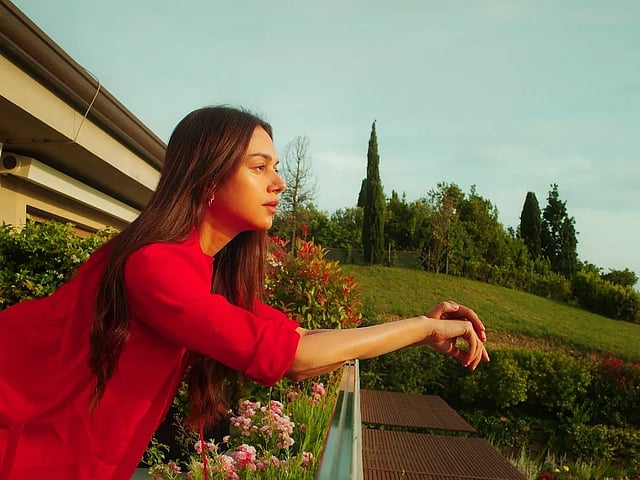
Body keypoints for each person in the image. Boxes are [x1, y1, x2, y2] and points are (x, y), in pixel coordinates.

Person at [0, 105, 489, 480]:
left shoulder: (205, 274)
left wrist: (421, 327)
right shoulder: (156, 265)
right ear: (209, 177)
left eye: (275, 167)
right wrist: (422, 329)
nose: (279, 182)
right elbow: (294, 358)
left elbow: (301, 340)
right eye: (259, 167)